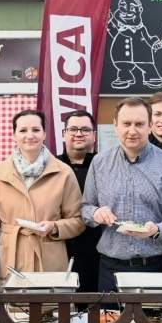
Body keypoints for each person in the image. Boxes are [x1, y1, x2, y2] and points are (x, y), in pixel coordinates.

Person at [81, 97, 162, 293]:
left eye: (139, 124)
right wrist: (95, 213)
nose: (132, 131)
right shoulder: (99, 163)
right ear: (115, 125)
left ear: (150, 126)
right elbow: (85, 207)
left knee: (153, 315)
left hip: (156, 268)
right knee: (109, 315)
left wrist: (156, 230)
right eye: (126, 124)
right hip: (110, 269)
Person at [0, 110, 85, 289]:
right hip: (11, 256)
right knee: (12, 305)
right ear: (14, 135)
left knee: (49, 305)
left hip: (49, 258)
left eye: (36, 130)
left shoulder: (63, 172)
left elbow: (79, 220)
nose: (30, 136)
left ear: (44, 134)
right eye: (23, 130)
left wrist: (54, 227)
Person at [56, 110, 103, 295]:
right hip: (60, 247)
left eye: (85, 129)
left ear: (94, 135)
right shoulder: (52, 166)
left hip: (98, 251)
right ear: (64, 134)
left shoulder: (106, 166)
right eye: (73, 129)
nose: (79, 134)